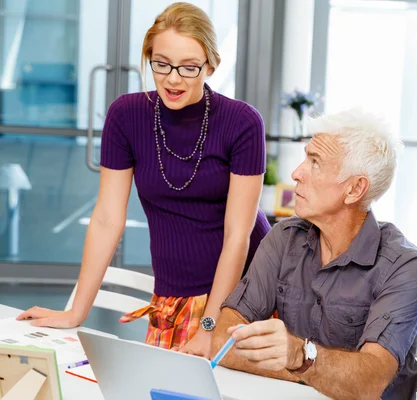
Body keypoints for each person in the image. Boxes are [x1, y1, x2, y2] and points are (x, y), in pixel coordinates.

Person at [17, 2, 270, 357]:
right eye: (161, 63)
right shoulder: (127, 115)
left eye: (189, 67)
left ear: (211, 65)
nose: (173, 78)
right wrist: (76, 311)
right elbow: (107, 219)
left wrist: (210, 326)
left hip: (245, 294)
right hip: (173, 291)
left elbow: (238, 236)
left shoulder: (242, 122)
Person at [210, 109, 417, 400]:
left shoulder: (404, 267)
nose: (296, 173)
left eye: (315, 163)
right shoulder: (284, 238)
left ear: (354, 189)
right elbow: (222, 340)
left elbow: (369, 382)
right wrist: (308, 374)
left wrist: (300, 356)